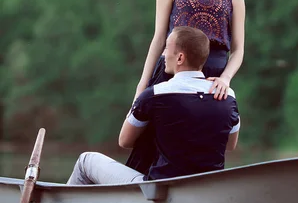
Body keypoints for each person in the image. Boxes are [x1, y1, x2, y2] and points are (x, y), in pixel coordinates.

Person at [126, 0, 246, 173]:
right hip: (170, 73)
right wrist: (142, 84)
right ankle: (141, 193)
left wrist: (225, 79)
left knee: (200, 144)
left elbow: (238, 49)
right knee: (150, 141)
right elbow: (159, 38)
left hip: (211, 80)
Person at [67, 26, 240, 185]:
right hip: (206, 189)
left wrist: (140, 94)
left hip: (160, 191)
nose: (163, 54)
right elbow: (229, 145)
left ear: (180, 57)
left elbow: (125, 141)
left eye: (167, 48)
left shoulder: (155, 95)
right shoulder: (228, 97)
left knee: (86, 160)